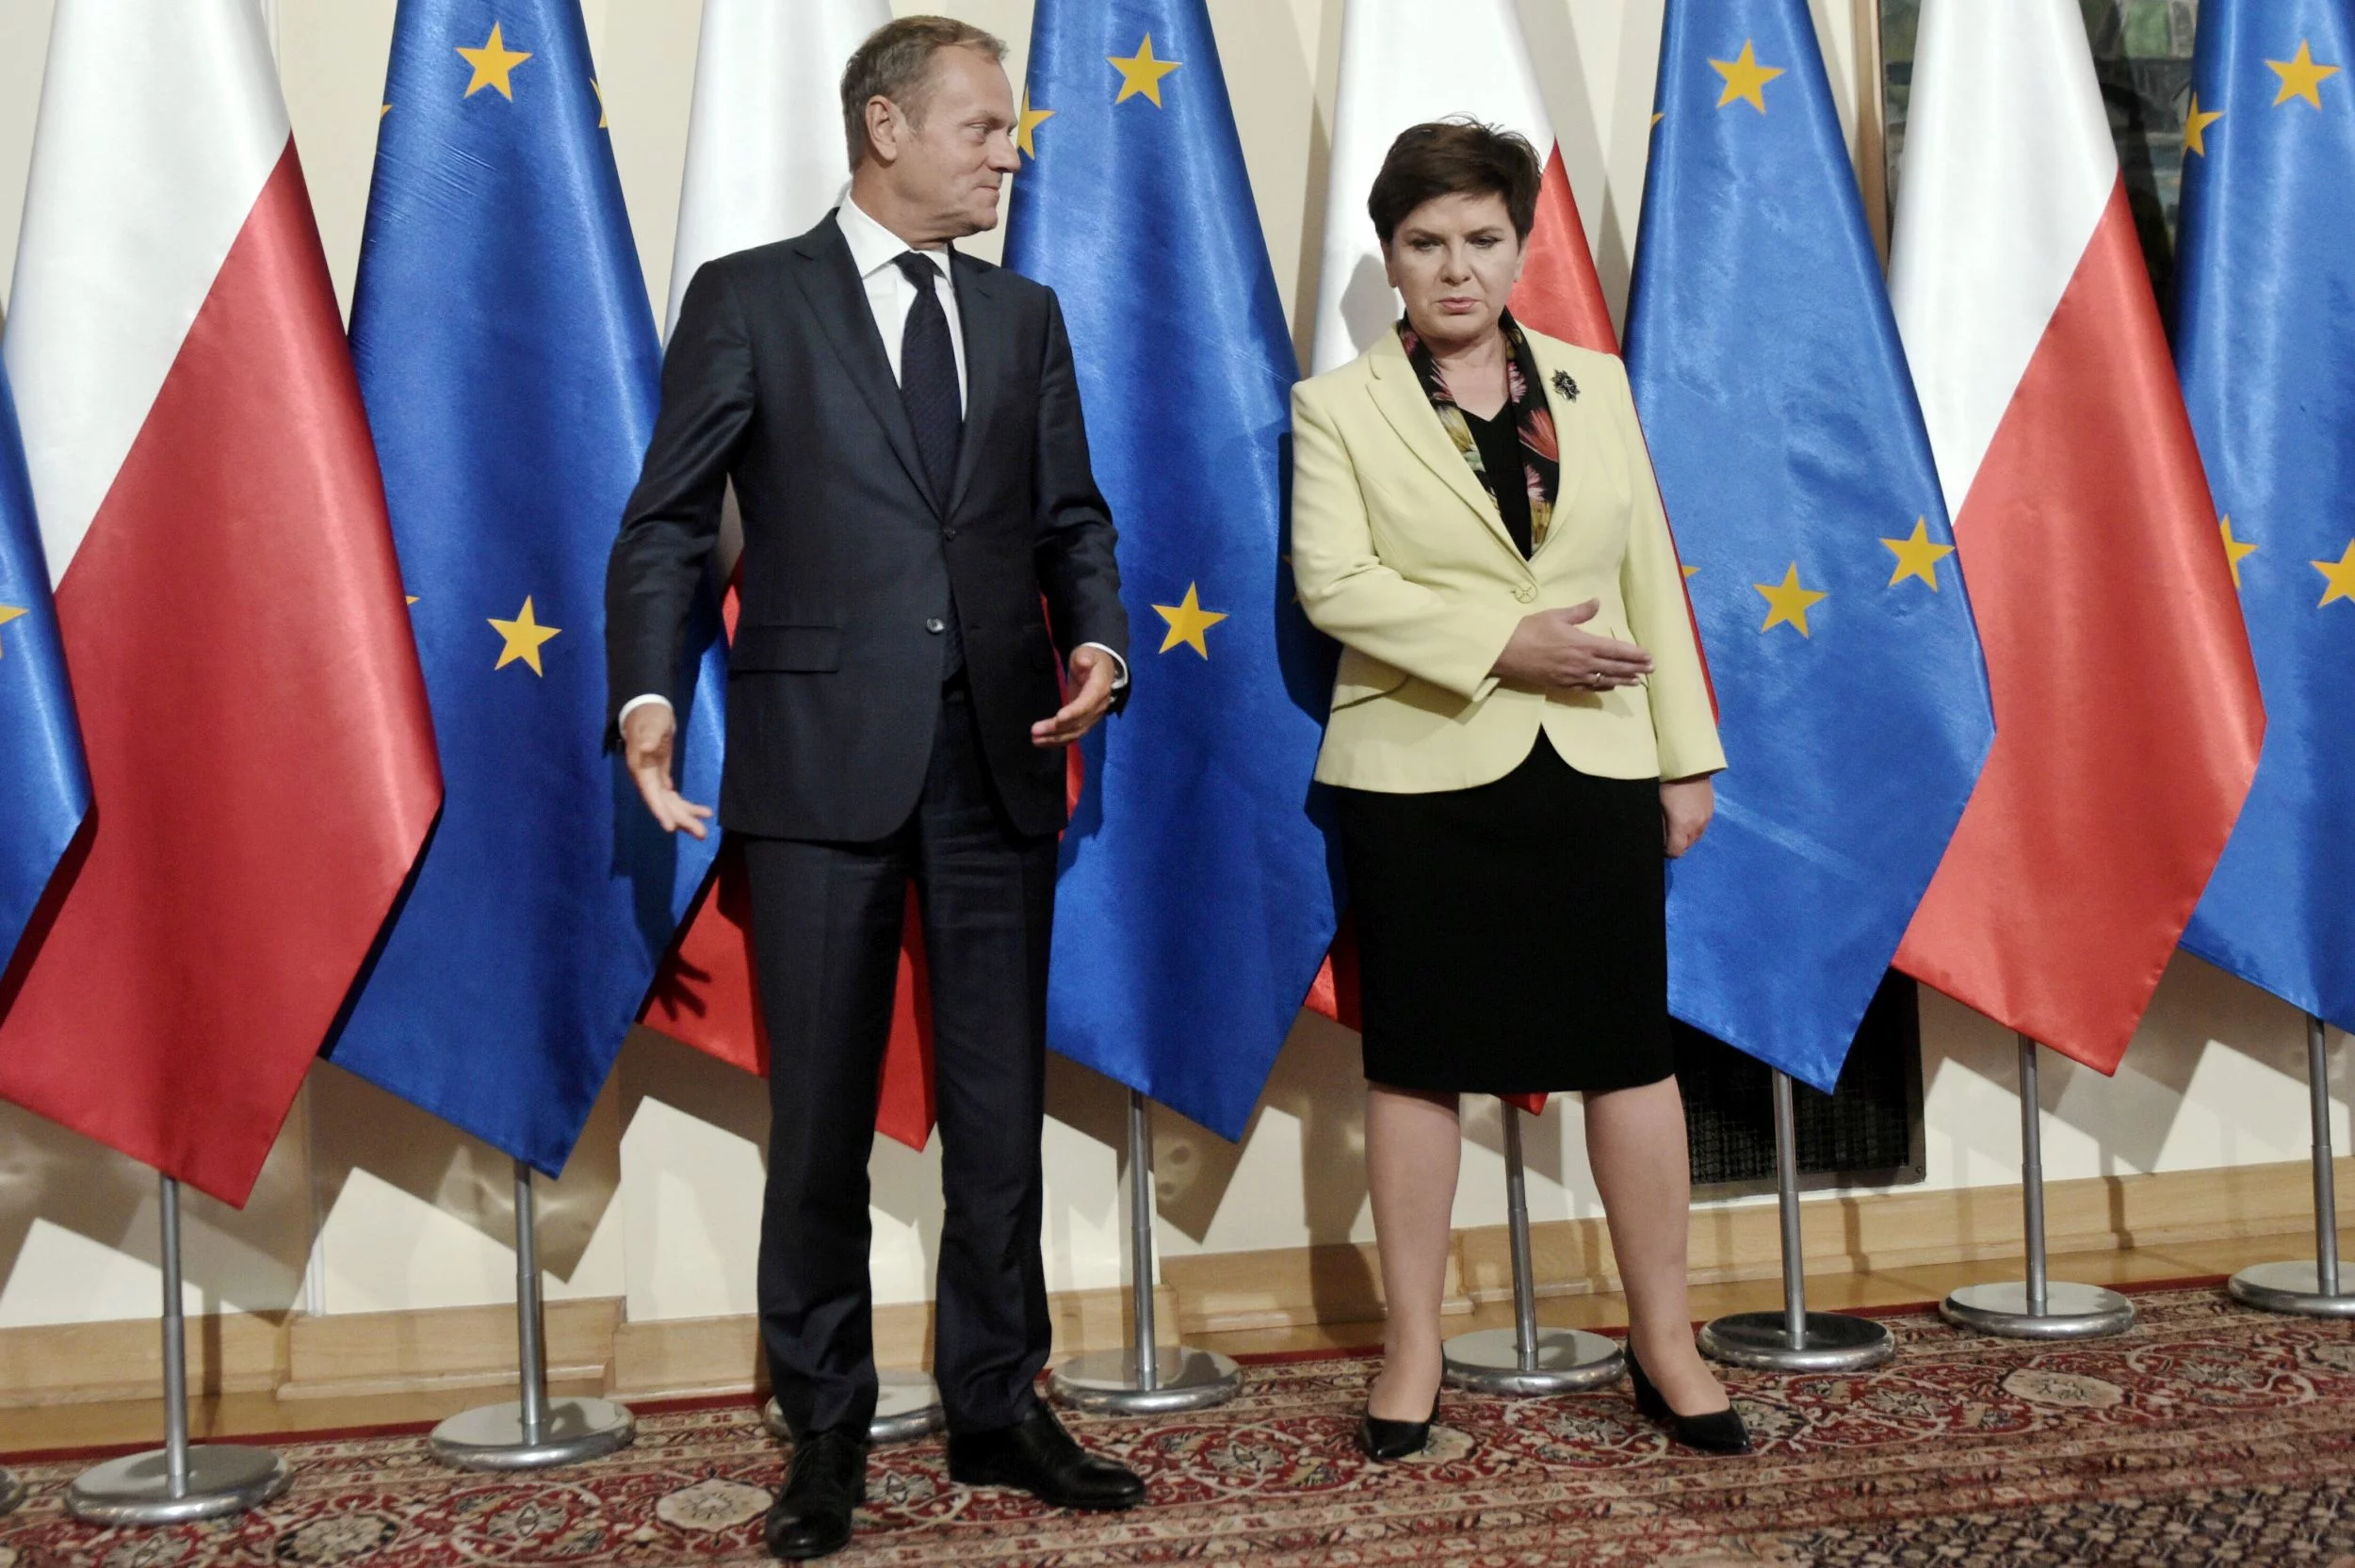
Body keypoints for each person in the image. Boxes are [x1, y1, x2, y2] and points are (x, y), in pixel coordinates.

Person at [604, 17, 1144, 1560]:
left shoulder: (1024, 314)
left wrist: (1100, 645)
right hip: (817, 765)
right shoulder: (748, 298)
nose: (1008, 152)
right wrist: (648, 697)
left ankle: (996, 1405)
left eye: (1011, 130)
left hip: (1000, 765)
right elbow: (665, 524)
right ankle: (824, 1432)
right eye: (983, 126)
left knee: (997, 1116)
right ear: (886, 128)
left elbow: (1071, 519)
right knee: (822, 1117)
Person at [1289, 121, 1747, 1461]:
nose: (1455, 268)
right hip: (1421, 772)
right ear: (1388, 257)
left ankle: (1664, 1341)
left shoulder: (1596, 385)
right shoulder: (1337, 408)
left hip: (1597, 759)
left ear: (1523, 246)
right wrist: (1503, 641)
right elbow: (1337, 583)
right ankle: (1413, 1349)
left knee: (1628, 1054)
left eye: (1482, 239)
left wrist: (1687, 751)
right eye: (1426, 243)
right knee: (1420, 1063)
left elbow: (1649, 566)